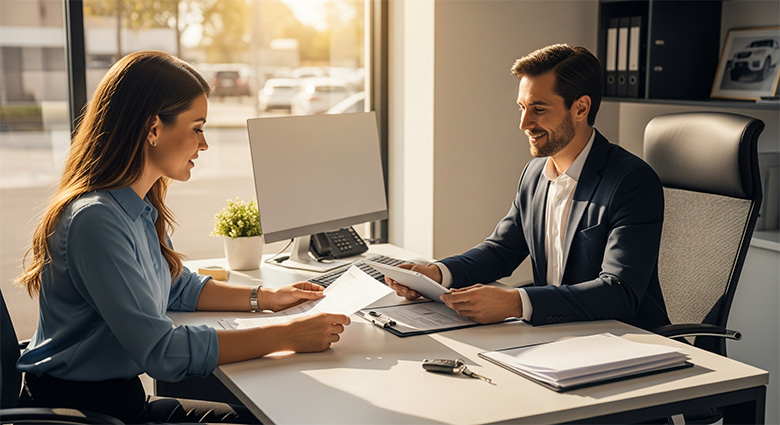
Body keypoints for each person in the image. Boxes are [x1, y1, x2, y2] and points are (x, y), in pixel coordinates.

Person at [15, 51, 350, 424]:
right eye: (197, 127)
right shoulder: (96, 221)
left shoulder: (136, 208)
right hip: (86, 412)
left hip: (118, 401)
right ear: (153, 128)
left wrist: (268, 299)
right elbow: (161, 351)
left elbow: (177, 287)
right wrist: (288, 335)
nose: (203, 145)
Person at [387, 44, 670, 331]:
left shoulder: (630, 181)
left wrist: (515, 303)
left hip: (625, 340)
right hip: (556, 334)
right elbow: (501, 250)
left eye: (539, 109)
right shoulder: (535, 173)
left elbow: (618, 291)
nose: (524, 123)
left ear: (580, 108)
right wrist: (437, 273)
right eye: (522, 108)